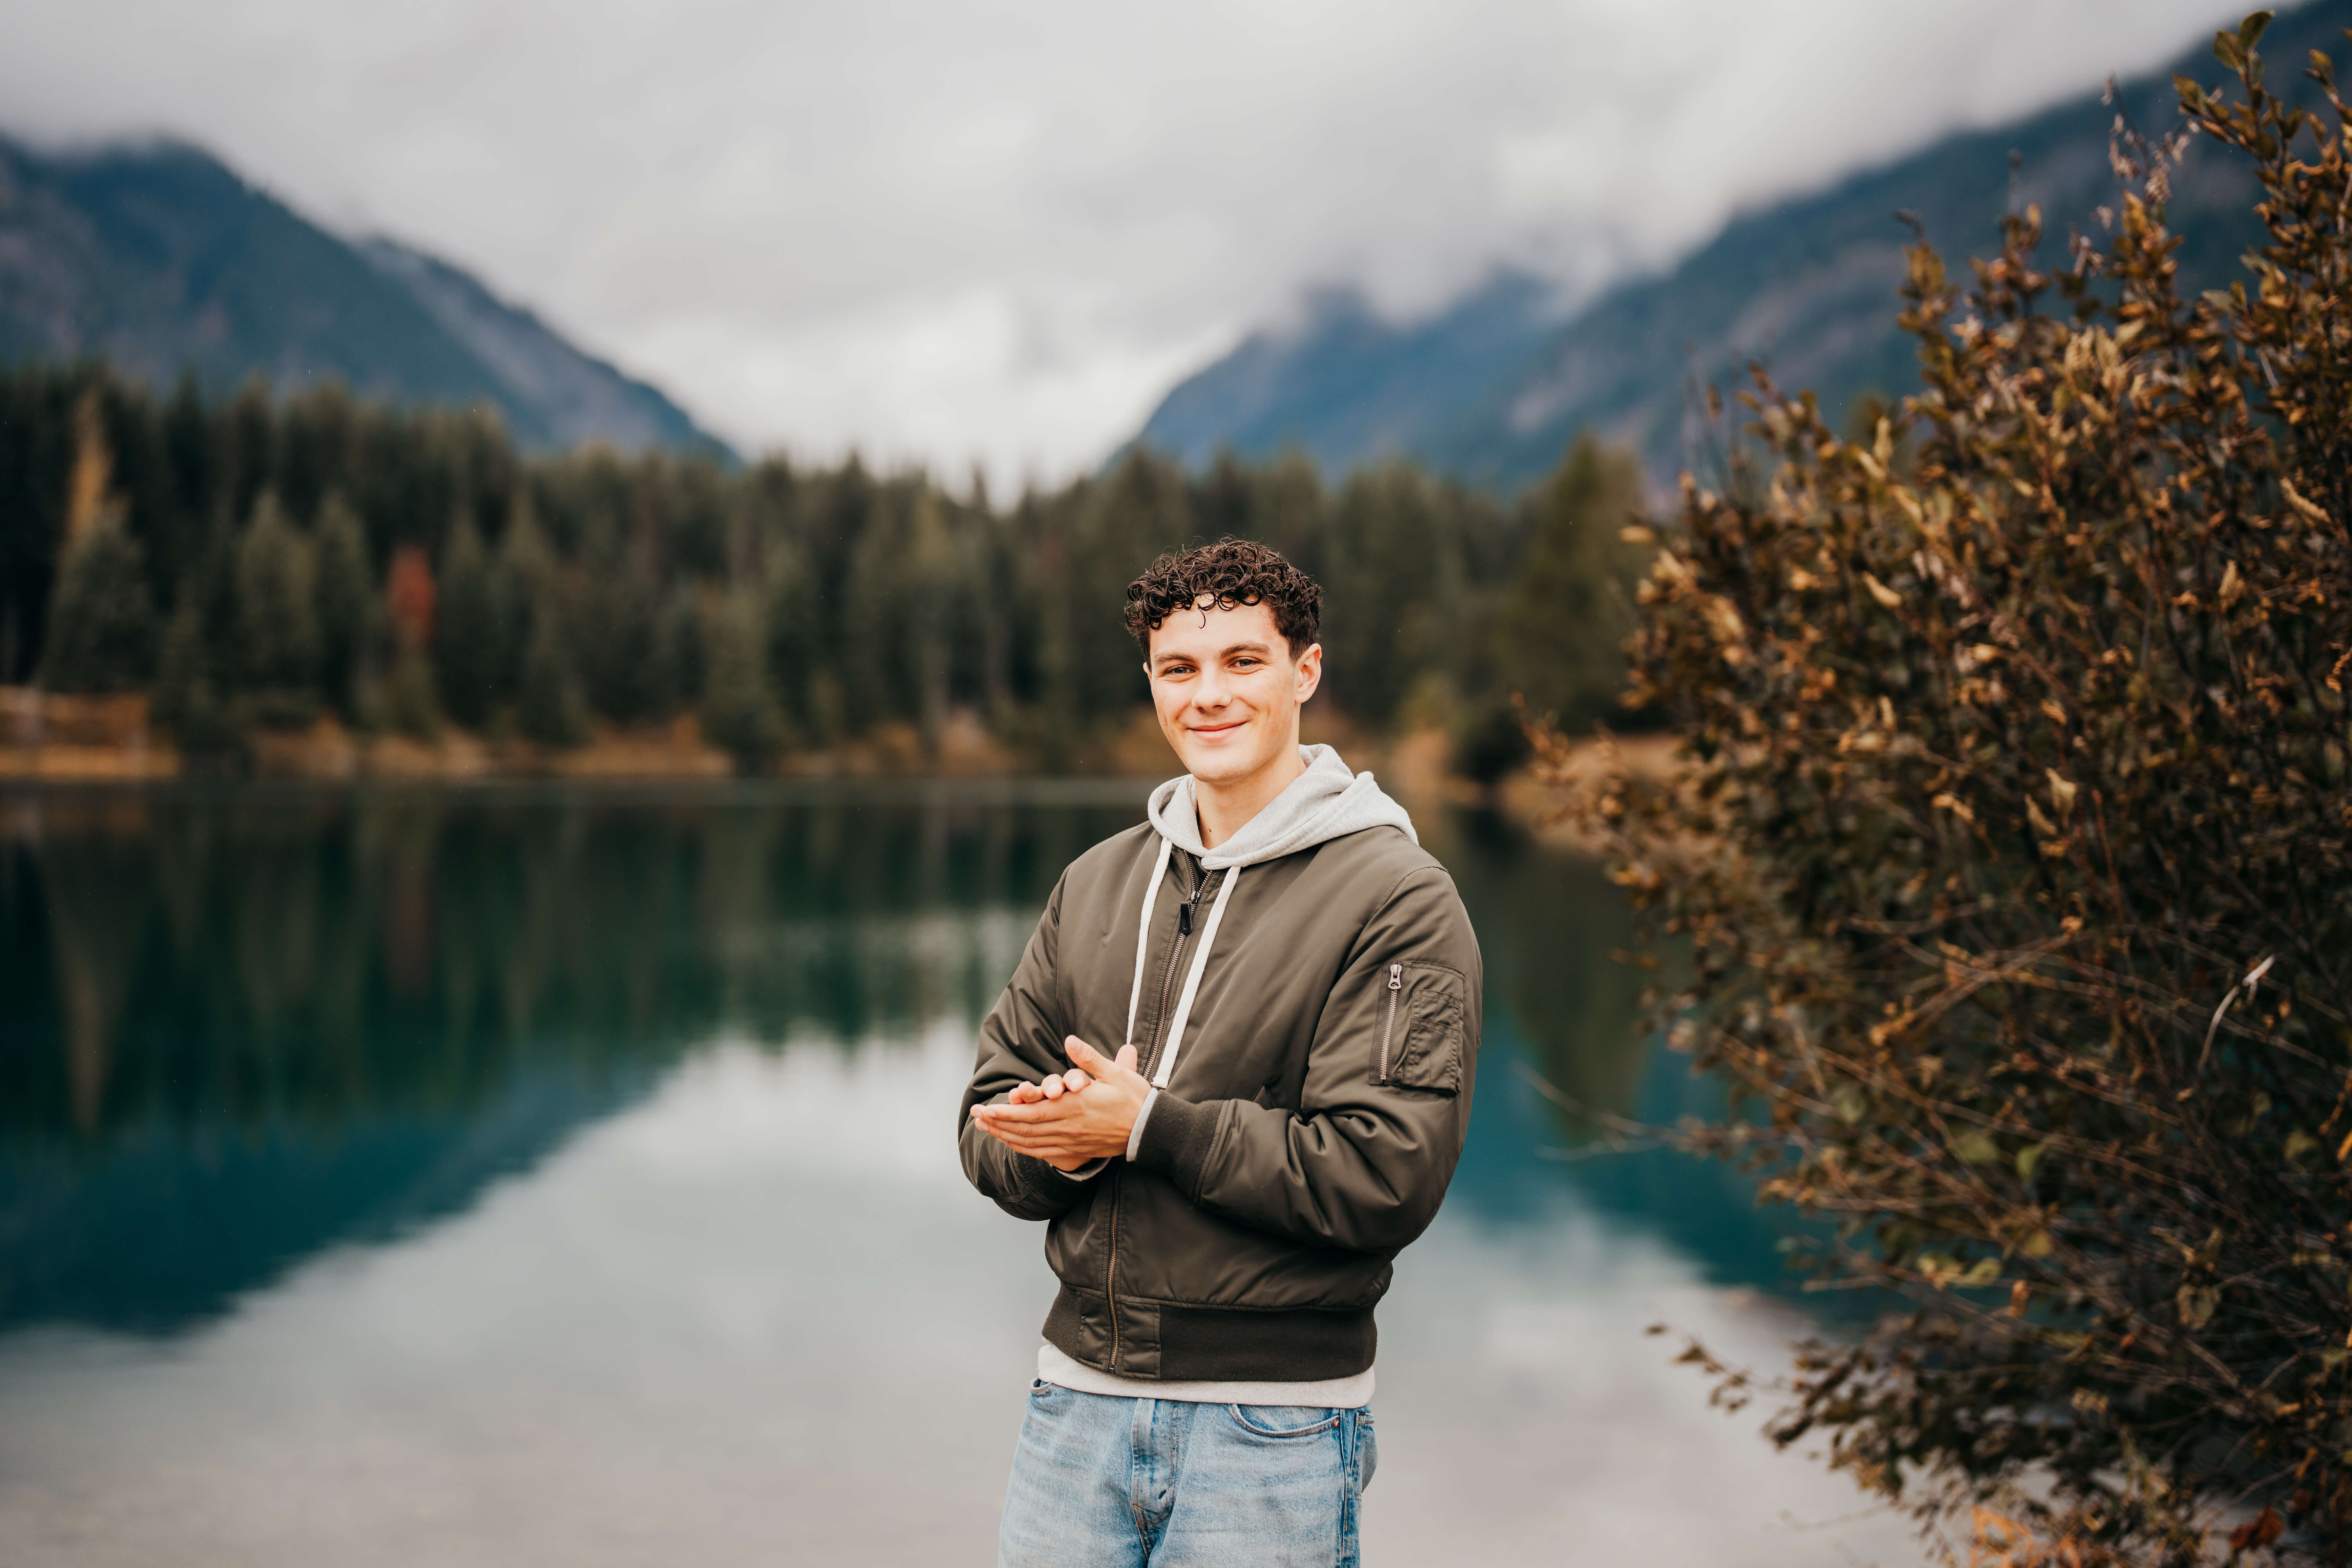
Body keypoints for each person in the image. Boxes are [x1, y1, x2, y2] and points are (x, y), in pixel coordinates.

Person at [960, 538, 1483, 1567]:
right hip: (1075, 1403)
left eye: (1243, 661)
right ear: (1151, 681)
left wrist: (1146, 1127)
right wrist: (1060, 1143)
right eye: (1179, 668)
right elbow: (985, 1123)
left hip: (1273, 1426)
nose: (1210, 695)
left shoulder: (1400, 897)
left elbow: (1386, 1176)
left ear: (1306, 671)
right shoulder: (1096, 882)